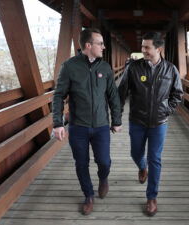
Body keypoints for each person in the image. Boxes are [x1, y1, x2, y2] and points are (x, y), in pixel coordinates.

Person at [52, 28, 122, 215]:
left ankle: (103, 178)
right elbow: (58, 95)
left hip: (100, 126)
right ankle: (88, 195)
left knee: (104, 162)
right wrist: (58, 123)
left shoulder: (105, 67)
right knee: (81, 163)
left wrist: (116, 119)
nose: (104, 47)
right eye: (100, 43)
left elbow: (113, 96)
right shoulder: (69, 67)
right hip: (78, 127)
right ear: (88, 45)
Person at [118, 32, 183, 216]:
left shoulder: (171, 70)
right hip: (137, 120)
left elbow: (177, 94)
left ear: (158, 49)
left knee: (155, 158)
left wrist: (166, 111)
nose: (143, 50)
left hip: (159, 123)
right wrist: (117, 117)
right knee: (135, 153)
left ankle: (151, 197)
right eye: (142, 46)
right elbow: (121, 92)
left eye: (147, 47)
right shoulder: (134, 68)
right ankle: (141, 166)